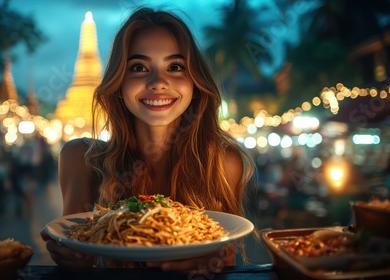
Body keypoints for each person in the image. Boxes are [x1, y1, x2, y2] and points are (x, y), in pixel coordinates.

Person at [40, 7, 255, 271]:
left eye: (175, 67)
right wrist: (72, 258)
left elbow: (225, 259)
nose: (158, 82)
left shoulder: (221, 163)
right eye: (139, 67)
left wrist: (212, 263)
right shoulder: (81, 160)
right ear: (118, 82)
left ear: (195, 83)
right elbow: (74, 246)